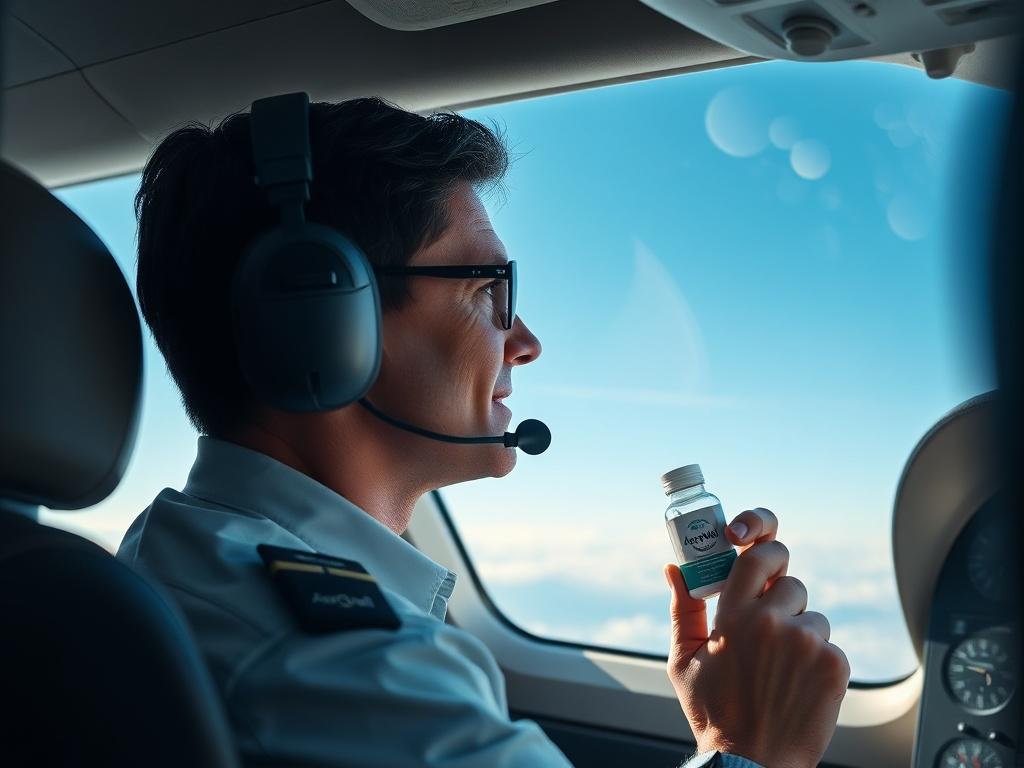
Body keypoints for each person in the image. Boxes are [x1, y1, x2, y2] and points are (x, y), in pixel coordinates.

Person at [117, 96, 850, 768]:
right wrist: (753, 745)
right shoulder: (360, 673)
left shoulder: (172, 548)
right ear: (319, 320)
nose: (524, 341)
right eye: (485, 291)